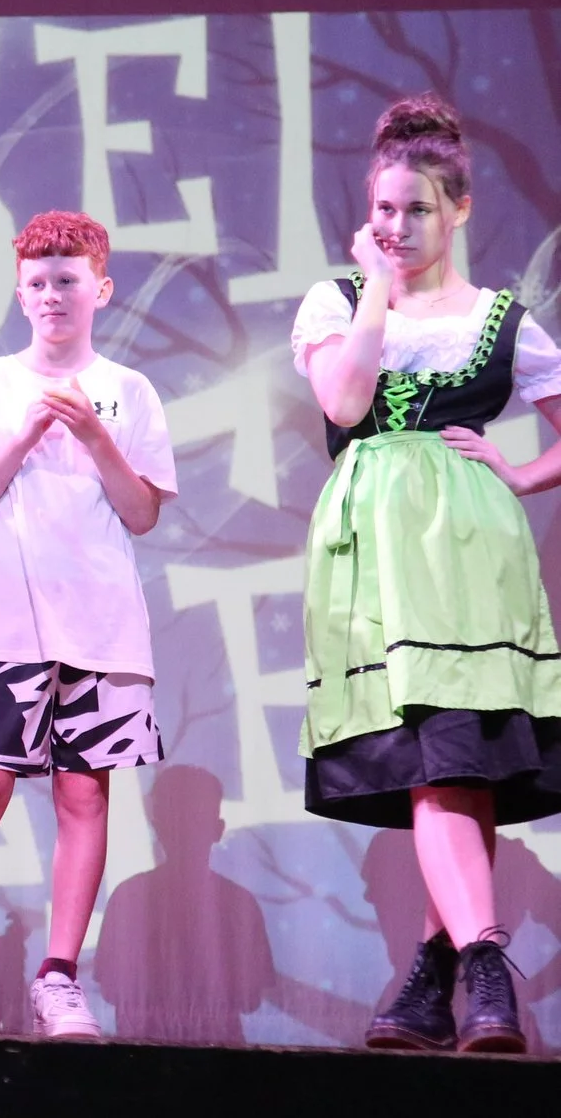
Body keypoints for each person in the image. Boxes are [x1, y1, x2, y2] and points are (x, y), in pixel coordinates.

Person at [293, 95, 561, 1054]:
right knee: (439, 758)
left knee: (462, 756)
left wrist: (523, 472)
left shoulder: (499, 320)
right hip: (373, 553)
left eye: (414, 210)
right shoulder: (335, 299)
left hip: (471, 552)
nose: (394, 228)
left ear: (458, 211)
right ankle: (454, 972)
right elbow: (346, 397)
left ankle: (464, 966)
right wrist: (374, 288)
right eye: (382, 211)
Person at [0, 210, 175, 1039]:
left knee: (85, 793)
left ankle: (60, 976)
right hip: (9, 626)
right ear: (20, 293)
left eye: (69, 280)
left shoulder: (132, 389)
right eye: (39, 283)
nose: (53, 294)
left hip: (104, 625)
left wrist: (94, 435)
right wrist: (24, 436)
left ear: (101, 288)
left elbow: (142, 513)